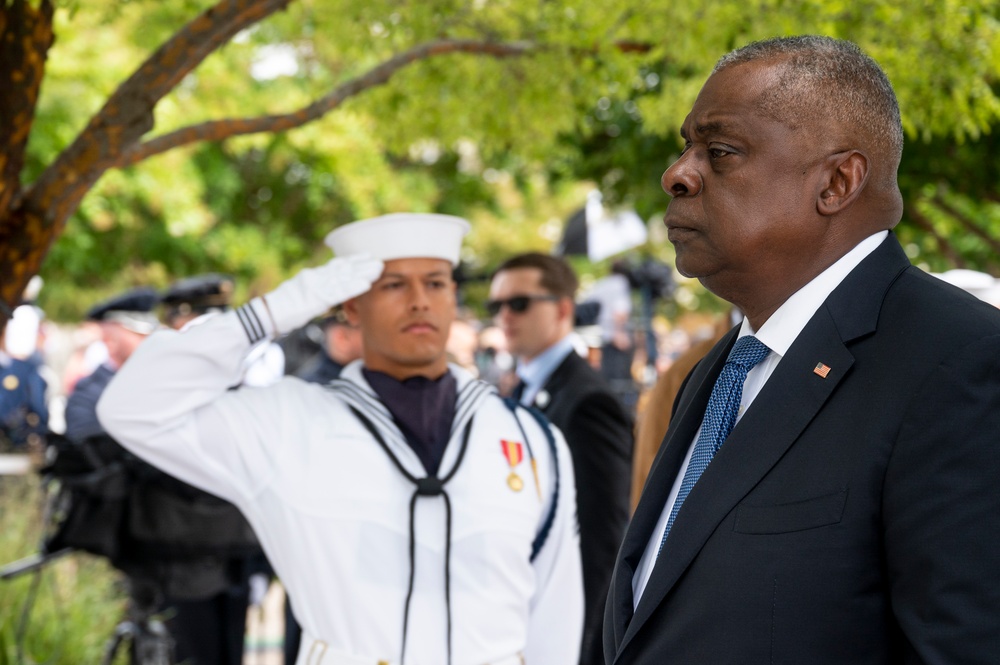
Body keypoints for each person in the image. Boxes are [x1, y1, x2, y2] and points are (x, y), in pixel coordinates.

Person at [604, 35, 1000, 664]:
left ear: (838, 182)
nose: (676, 174)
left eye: (721, 151)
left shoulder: (962, 364)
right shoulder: (721, 370)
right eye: (686, 148)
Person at [98, 213, 584, 665]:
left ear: (454, 297)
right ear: (350, 304)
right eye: (393, 284)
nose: (419, 300)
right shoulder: (289, 424)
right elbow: (131, 408)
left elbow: (554, 613)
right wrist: (273, 312)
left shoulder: (529, 437)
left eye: (436, 283)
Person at [489, 252, 632, 665]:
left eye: (519, 303)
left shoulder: (589, 402)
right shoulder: (522, 390)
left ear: (562, 309)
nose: (504, 315)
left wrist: (578, 645)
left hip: (563, 631)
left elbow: (602, 538)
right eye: (495, 305)